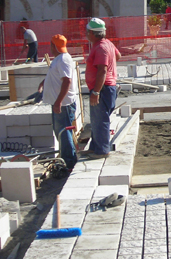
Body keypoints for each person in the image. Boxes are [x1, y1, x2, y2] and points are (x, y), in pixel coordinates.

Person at [37, 35, 78, 169]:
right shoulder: (60, 59)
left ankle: (69, 161)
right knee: (60, 131)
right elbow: (57, 76)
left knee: (63, 131)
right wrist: (45, 82)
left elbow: (67, 81)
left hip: (64, 104)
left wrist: (58, 102)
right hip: (61, 102)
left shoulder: (63, 60)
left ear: (53, 46)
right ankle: (67, 158)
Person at [85, 18, 121, 158]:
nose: (87, 34)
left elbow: (102, 71)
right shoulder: (107, 44)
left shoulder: (101, 48)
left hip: (103, 88)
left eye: (88, 32)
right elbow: (118, 56)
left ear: (92, 33)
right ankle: (95, 147)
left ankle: (102, 151)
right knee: (96, 119)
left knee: (100, 120)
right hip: (106, 87)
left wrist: (96, 91)